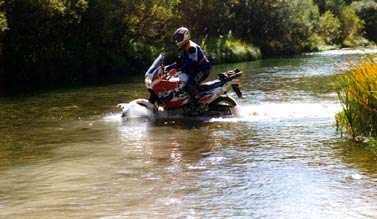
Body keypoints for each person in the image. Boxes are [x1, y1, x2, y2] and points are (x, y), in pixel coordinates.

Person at [168, 27, 211, 102]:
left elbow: (191, 63)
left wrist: (178, 70)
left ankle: (200, 104)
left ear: (185, 36)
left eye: (179, 38)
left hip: (203, 70)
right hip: (195, 69)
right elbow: (180, 62)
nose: (177, 40)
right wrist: (167, 67)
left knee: (189, 85)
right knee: (178, 83)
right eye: (177, 38)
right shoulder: (184, 46)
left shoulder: (191, 48)